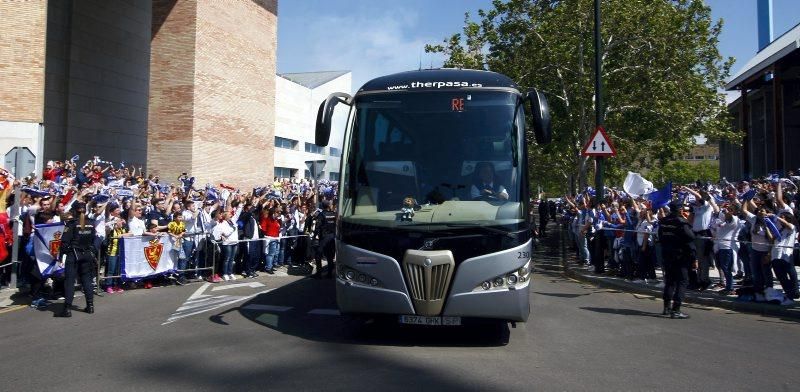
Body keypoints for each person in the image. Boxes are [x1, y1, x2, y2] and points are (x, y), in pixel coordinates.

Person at [56, 202, 96, 317]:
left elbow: (64, 242)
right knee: (87, 280)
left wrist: (61, 256)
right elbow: (94, 239)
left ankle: (67, 309)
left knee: (69, 281)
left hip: (74, 254)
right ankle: (90, 306)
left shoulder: (71, 224)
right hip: (87, 254)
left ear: (74, 211)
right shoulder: (91, 223)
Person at [658, 202, 696, 319]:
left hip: (667, 254)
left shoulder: (663, 221)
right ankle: (676, 309)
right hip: (680, 255)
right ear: (679, 210)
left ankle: (666, 307)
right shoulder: (681, 222)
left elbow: (660, 236)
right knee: (682, 281)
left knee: (669, 281)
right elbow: (690, 238)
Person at [312, 200, 337, 279]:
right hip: (332, 237)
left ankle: (319, 273)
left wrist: (315, 236)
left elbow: (317, 227)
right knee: (330, 256)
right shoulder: (333, 214)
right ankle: (330, 274)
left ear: (322, 206)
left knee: (318, 255)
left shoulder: (321, 215)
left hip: (324, 238)